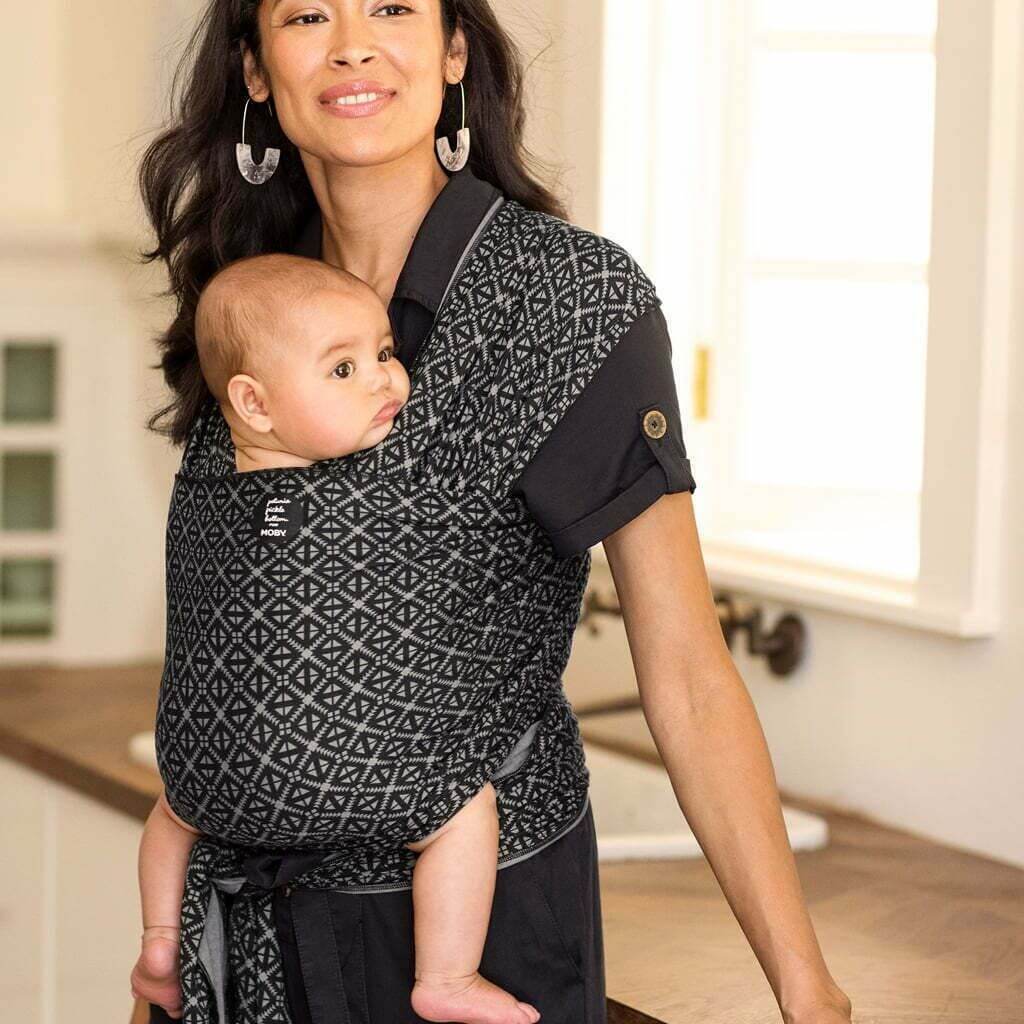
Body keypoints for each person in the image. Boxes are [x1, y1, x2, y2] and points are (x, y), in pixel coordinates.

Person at [136, 2, 853, 1023]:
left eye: (392, 7)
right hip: (249, 946)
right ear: (255, 71)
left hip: (478, 939)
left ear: (454, 48)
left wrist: (805, 988)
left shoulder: (567, 304)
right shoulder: (249, 300)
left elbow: (689, 674)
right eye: (307, 15)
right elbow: (229, 642)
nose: (352, 42)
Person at [130, 253, 539, 1024]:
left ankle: (158, 943)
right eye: (343, 370)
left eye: (384, 353)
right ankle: (446, 976)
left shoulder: (210, 492)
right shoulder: (355, 497)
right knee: (464, 811)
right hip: (329, 776)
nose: (385, 379)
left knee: (167, 816)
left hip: (204, 776)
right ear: (253, 403)